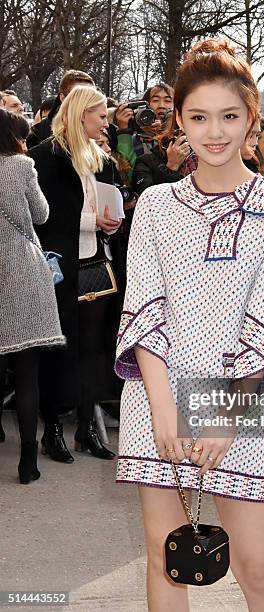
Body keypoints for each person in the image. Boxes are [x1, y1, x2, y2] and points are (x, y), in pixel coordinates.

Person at [114, 38, 264, 611]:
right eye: (198, 117)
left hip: (237, 402)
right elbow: (144, 310)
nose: (214, 132)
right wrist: (164, 411)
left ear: (251, 115)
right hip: (157, 402)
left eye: (229, 116)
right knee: (167, 560)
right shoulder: (154, 205)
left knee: (259, 567)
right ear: (178, 120)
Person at [29, 86, 121, 464]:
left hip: (96, 265)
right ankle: (52, 430)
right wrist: (91, 221)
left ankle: (86, 429)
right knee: (59, 350)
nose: (106, 123)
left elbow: (108, 198)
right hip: (60, 267)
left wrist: (109, 224)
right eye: (100, 116)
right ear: (82, 114)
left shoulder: (99, 157)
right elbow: (43, 216)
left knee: (93, 350)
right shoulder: (45, 157)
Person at [0, 109, 65, 483]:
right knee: (27, 371)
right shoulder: (22, 166)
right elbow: (41, 215)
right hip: (21, 270)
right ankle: (28, 463)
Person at [27, 70, 95, 148]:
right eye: (78, 96)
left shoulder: (102, 130)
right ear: (63, 98)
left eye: (91, 97)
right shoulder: (38, 133)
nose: (86, 102)